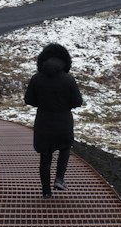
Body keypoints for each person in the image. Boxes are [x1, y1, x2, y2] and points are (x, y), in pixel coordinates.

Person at [24, 42, 83, 198]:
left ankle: (46, 191)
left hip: (43, 121)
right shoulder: (69, 80)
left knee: (45, 156)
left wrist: (42, 103)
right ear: (65, 61)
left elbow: (29, 99)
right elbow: (77, 102)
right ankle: (59, 179)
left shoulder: (36, 78)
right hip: (63, 121)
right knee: (65, 148)